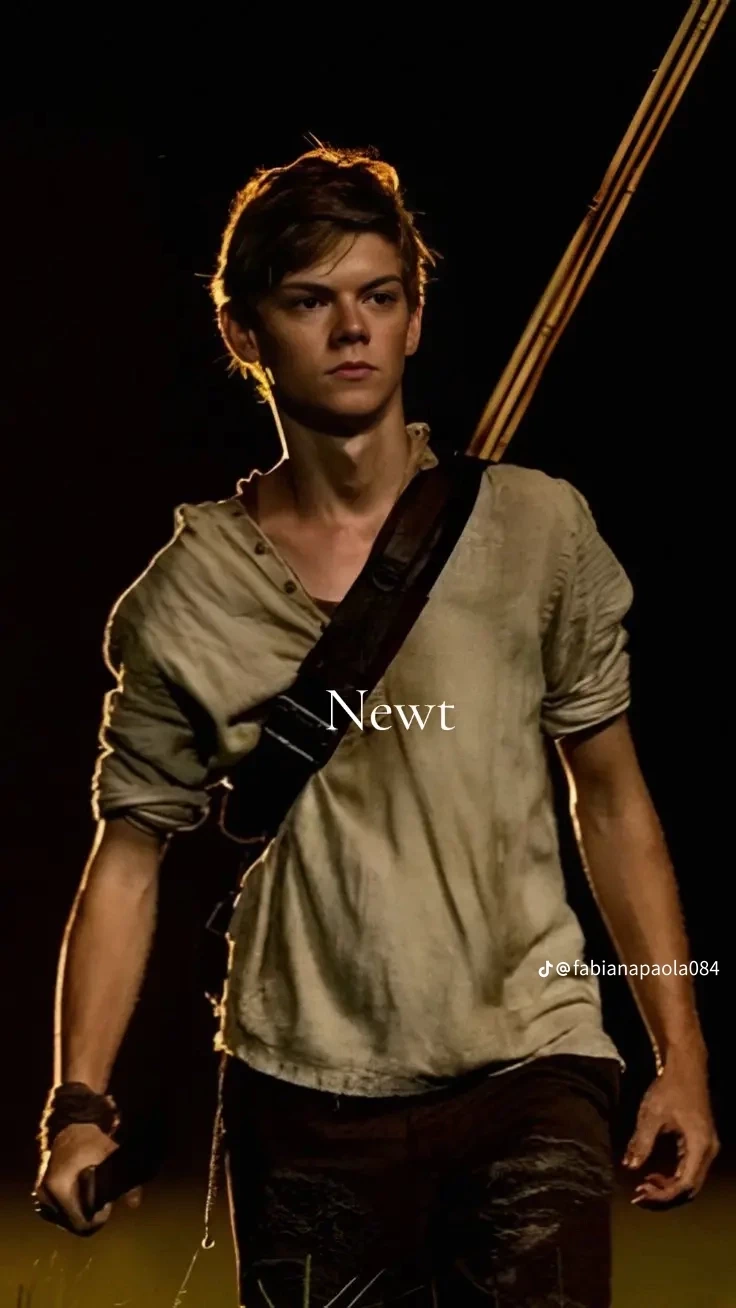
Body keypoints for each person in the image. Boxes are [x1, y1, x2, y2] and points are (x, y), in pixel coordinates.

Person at [35, 145, 719, 1307]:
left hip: (532, 1058)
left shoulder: (537, 531)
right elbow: (129, 858)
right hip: (301, 1085)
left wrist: (680, 1057)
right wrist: (79, 1104)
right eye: (310, 300)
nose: (352, 328)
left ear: (413, 317)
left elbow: (609, 801)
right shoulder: (188, 597)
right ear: (245, 332)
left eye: (380, 295)